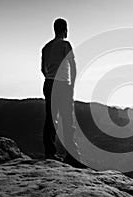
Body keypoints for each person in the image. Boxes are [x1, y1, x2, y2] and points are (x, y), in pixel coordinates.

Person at [41, 18, 82, 166]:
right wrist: (71, 85)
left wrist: (50, 78)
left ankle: (50, 154)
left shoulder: (46, 47)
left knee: (51, 119)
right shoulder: (66, 44)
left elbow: (42, 69)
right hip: (63, 84)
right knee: (67, 120)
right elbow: (73, 66)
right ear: (65, 29)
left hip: (49, 83)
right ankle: (72, 157)